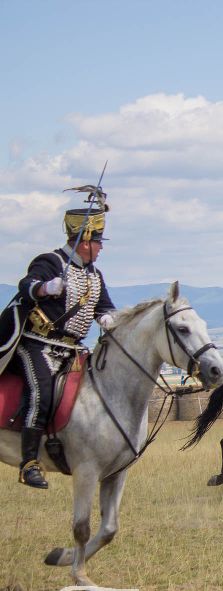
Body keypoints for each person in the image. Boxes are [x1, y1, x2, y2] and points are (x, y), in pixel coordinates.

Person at [0, 185, 116, 488]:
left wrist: (107, 319)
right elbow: (27, 285)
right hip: (36, 343)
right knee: (43, 393)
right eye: (98, 241)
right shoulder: (50, 261)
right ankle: (29, 463)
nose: (101, 248)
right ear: (84, 241)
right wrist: (46, 288)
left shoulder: (95, 275)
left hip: (73, 350)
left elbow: (103, 306)